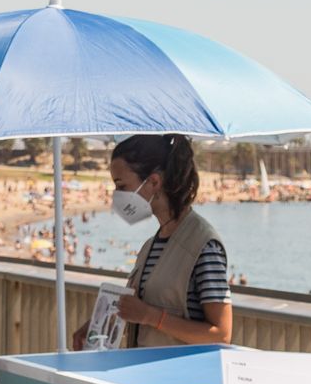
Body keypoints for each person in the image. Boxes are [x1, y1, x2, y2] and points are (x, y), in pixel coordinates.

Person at [73, 134, 233, 348]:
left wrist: (152, 317)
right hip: (148, 377)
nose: (116, 195)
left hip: (181, 379)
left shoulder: (203, 245)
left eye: (121, 185)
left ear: (154, 181)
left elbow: (221, 334)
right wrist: (98, 324)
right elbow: (139, 309)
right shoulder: (151, 245)